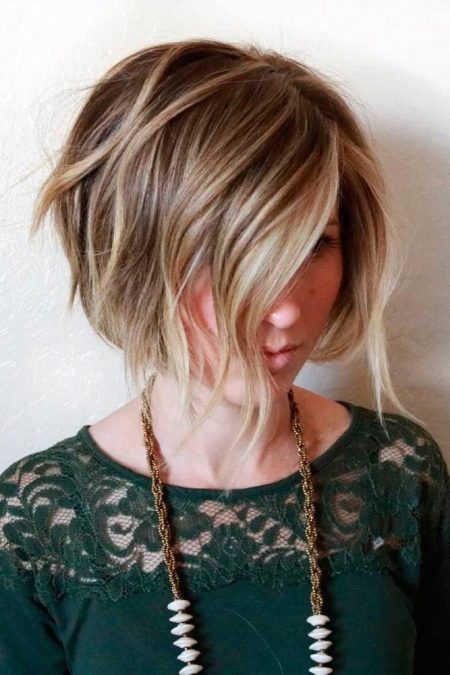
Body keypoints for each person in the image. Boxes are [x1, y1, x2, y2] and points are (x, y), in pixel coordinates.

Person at [0, 38, 448, 675]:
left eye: (313, 245)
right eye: (226, 257)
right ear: (133, 261)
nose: (285, 309)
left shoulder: (400, 473)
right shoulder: (37, 522)